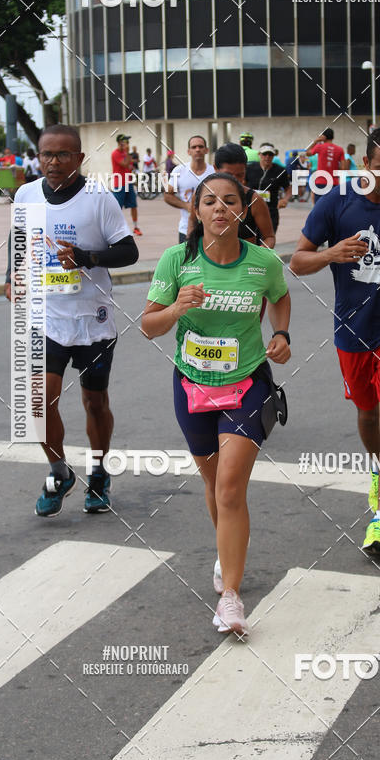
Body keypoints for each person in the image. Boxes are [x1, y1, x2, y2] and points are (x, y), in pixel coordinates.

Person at [142, 172, 291, 635]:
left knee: (229, 487)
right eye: (210, 202)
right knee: (212, 483)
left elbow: (281, 298)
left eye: (230, 201)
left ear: (242, 210)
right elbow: (149, 326)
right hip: (192, 384)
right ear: (196, 211)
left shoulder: (262, 262)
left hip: (247, 382)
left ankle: (231, 597)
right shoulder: (176, 260)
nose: (220, 208)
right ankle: (225, 553)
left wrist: (281, 333)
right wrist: (174, 310)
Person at [290, 124, 380, 557]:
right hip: (353, 328)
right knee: (368, 418)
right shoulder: (335, 201)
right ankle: (379, 469)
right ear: (365, 163)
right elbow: (297, 261)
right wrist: (331, 254)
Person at [5, 124, 139, 517]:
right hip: (46, 318)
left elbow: (128, 251)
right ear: (39, 156)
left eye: (63, 154)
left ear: (79, 158)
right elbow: (18, 241)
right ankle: (59, 472)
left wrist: (87, 257)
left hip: (92, 319)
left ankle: (98, 474)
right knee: (36, 403)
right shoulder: (26, 194)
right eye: (47, 154)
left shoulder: (99, 198)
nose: (53, 161)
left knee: (94, 402)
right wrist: (11, 277)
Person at [164, 134, 214, 242]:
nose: (197, 150)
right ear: (188, 151)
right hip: (185, 228)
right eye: (194, 147)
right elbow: (167, 195)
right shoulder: (179, 170)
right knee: (188, 258)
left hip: (211, 229)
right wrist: (187, 206)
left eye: (201, 147)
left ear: (206, 150)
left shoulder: (214, 172)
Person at [245, 143, 291, 232]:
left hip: (271, 210)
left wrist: (285, 199)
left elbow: (288, 188)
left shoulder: (280, 171)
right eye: (264, 154)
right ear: (259, 155)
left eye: (270, 154)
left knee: (268, 237)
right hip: (251, 209)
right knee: (251, 238)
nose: (267, 157)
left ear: (274, 156)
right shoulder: (249, 168)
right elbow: (242, 184)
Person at [111, 133, 142, 236]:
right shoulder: (115, 153)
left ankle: (135, 227)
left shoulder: (125, 154)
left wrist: (128, 156)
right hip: (119, 183)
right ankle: (115, 228)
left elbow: (129, 166)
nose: (127, 143)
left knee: (133, 205)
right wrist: (128, 154)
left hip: (128, 182)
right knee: (117, 207)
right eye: (126, 141)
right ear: (120, 142)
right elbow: (125, 164)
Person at [304, 128, 345, 203]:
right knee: (332, 208)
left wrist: (316, 141)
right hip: (334, 183)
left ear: (323, 137)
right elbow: (343, 167)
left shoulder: (319, 146)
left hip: (320, 182)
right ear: (333, 137)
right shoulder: (340, 149)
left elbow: (307, 152)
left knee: (319, 207)